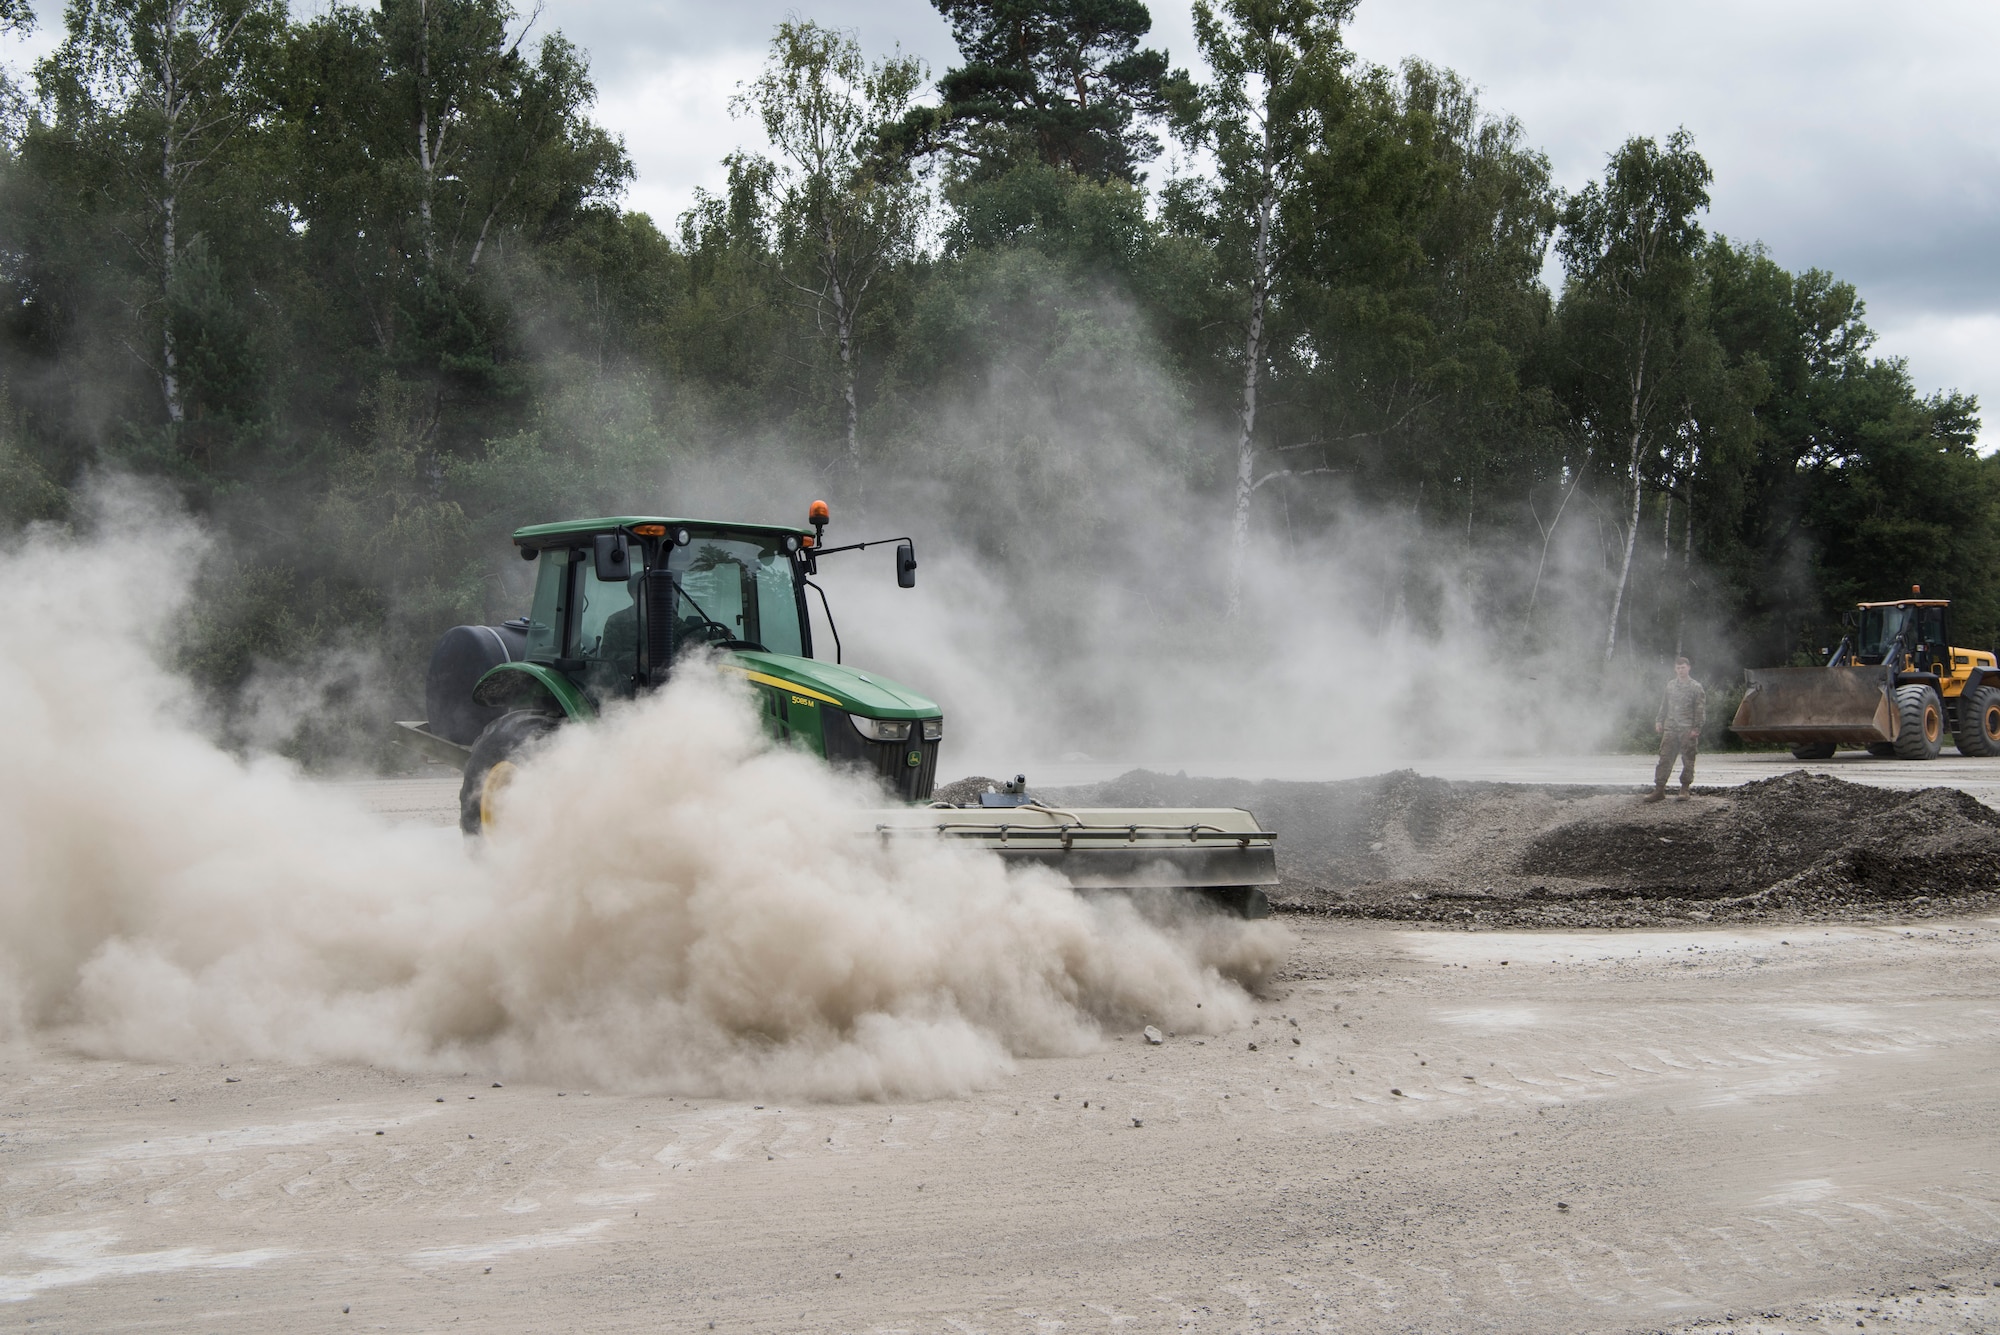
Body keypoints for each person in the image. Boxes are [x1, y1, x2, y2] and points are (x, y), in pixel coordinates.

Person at [1648, 656, 1706, 802]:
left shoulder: (1696, 687)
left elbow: (1700, 709)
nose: (1681, 670)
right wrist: (1659, 721)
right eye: (1678, 668)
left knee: (1688, 759)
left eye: (1683, 667)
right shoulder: (1670, 686)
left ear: (1689, 668)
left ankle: (1684, 789)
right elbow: (1664, 705)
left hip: (1687, 728)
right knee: (1665, 758)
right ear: (1675, 669)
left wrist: (1696, 728)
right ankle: (1659, 789)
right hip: (1671, 728)